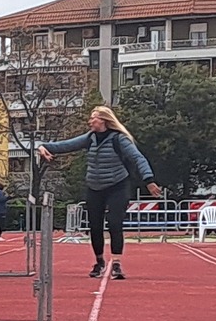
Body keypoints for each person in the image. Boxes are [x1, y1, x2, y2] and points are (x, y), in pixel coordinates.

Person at [39, 105, 160, 281]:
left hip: (117, 186)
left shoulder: (119, 139)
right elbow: (66, 145)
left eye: (93, 118)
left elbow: (138, 158)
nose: (90, 121)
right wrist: (43, 147)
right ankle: (99, 261)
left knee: (114, 223)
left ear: (103, 120)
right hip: (95, 186)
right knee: (94, 226)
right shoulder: (90, 138)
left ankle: (116, 263)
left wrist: (149, 180)